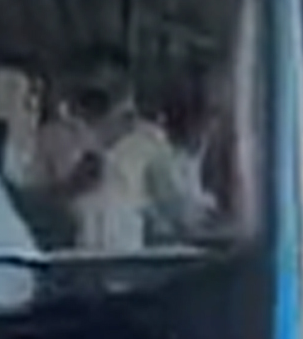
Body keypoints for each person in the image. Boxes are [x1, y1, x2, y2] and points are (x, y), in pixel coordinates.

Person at [40, 46, 214, 251]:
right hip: (68, 267)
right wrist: (67, 188)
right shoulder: (54, 139)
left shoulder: (148, 145)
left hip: (127, 268)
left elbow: (180, 214)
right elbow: (28, 207)